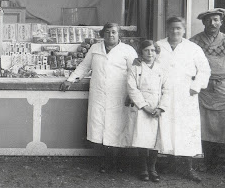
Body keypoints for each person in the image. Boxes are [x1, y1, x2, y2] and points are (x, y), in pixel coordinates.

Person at [60, 22, 138, 172]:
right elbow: (84, 66)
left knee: (118, 127)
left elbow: (135, 72)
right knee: (101, 127)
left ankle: (119, 163)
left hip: (119, 95)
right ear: (103, 34)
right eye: (107, 32)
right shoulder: (95, 48)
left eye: (114, 32)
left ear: (119, 34)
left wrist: (132, 93)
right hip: (99, 94)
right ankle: (106, 162)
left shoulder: (128, 50)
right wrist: (70, 80)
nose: (110, 35)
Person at [156, 16, 211, 182]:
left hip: (186, 93)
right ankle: (170, 162)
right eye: (172, 28)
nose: (175, 31)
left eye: (178, 28)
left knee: (186, 129)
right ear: (167, 29)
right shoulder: (159, 46)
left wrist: (196, 86)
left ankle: (188, 167)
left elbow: (205, 70)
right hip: (164, 93)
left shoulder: (192, 48)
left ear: (184, 30)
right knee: (166, 127)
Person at [124, 40, 171, 182]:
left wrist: (160, 107)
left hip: (156, 108)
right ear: (141, 53)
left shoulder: (162, 69)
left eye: (153, 50)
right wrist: (144, 106)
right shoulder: (135, 69)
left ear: (156, 53)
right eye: (146, 50)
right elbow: (132, 89)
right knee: (142, 138)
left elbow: (167, 90)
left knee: (155, 139)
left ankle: (152, 168)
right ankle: (143, 168)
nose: (150, 53)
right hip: (142, 108)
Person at [190, 8, 225, 173]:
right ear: (203, 22)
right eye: (209, 20)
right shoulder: (194, 41)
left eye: (216, 20)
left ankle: (218, 162)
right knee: (203, 124)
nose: (213, 23)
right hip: (203, 88)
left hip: (222, 88)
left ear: (221, 22)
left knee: (221, 124)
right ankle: (205, 160)